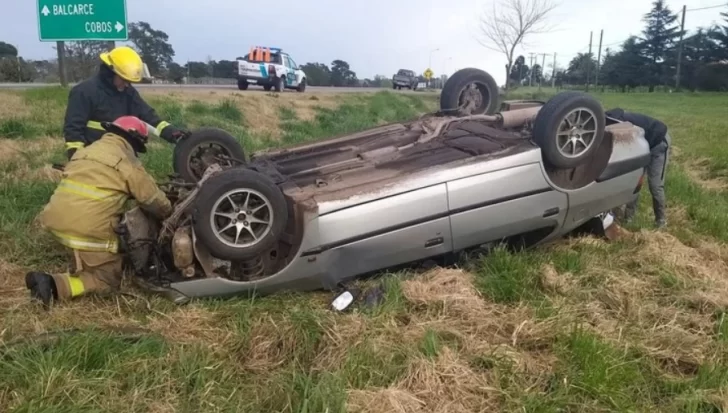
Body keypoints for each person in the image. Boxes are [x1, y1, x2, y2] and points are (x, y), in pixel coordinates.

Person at [25, 116, 173, 309]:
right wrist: (170, 210)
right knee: (106, 282)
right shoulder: (127, 163)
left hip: (55, 219)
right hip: (85, 231)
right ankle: (53, 285)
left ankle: (82, 256)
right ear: (133, 141)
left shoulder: (85, 151)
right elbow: (154, 201)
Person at [63, 45, 187, 160]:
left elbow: (148, 116)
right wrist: (77, 159)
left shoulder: (128, 92)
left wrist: (173, 133)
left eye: (130, 81)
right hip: (94, 156)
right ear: (110, 73)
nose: (127, 84)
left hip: (121, 155)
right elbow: (74, 130)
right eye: (124, 79)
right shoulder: (84, 92)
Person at [605, 108, 671, 228]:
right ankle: (629, 219)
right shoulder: (606, 125)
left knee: (655, 185)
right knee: (634, 182)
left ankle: (661, 222)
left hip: (657, 142)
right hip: (640, 146)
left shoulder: (617, 125)